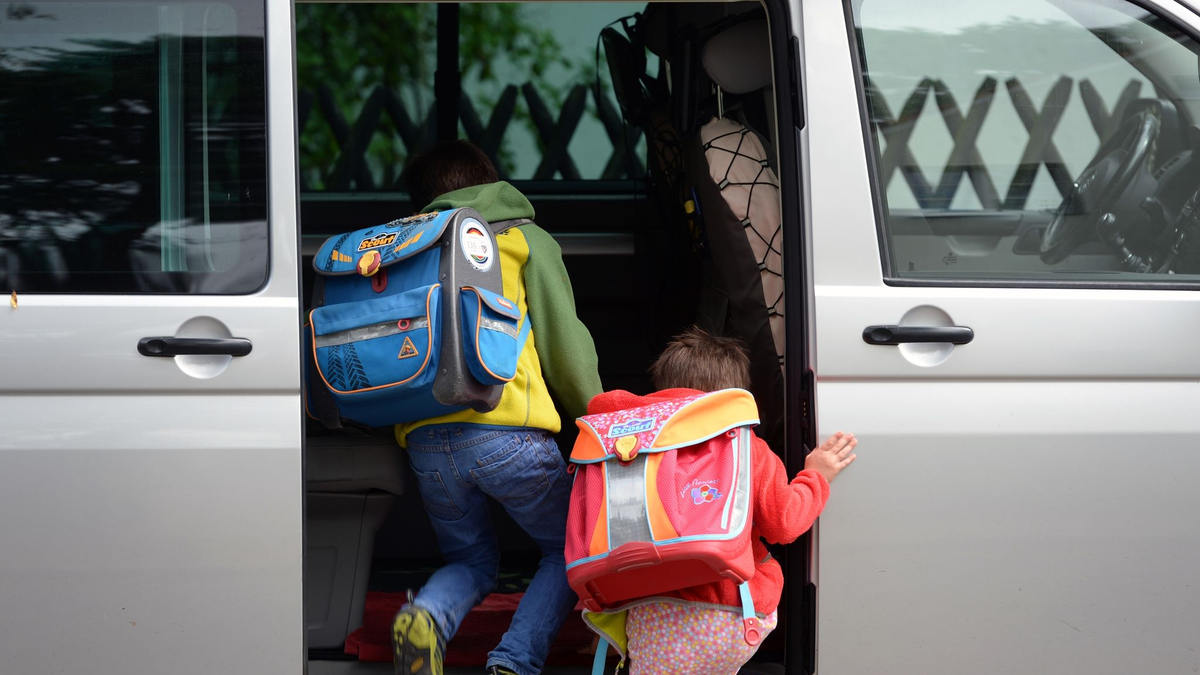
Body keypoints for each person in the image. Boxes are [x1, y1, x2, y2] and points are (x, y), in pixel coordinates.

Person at [390, 140, 602, 675]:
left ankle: (426, 615)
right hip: (509, 434)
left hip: (426, 442)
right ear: (490, 182)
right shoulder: (522, 239)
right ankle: (514, 660)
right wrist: (599, 417)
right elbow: (566, 347)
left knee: (471, 560)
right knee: (571, 548)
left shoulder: (405, 248)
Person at [585, 326, 856, 675]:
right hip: (730, 615)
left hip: (648, 618)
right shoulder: (746, 448)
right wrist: (815, 475)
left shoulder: (630, 452)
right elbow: (783, 523)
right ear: (733, 396)